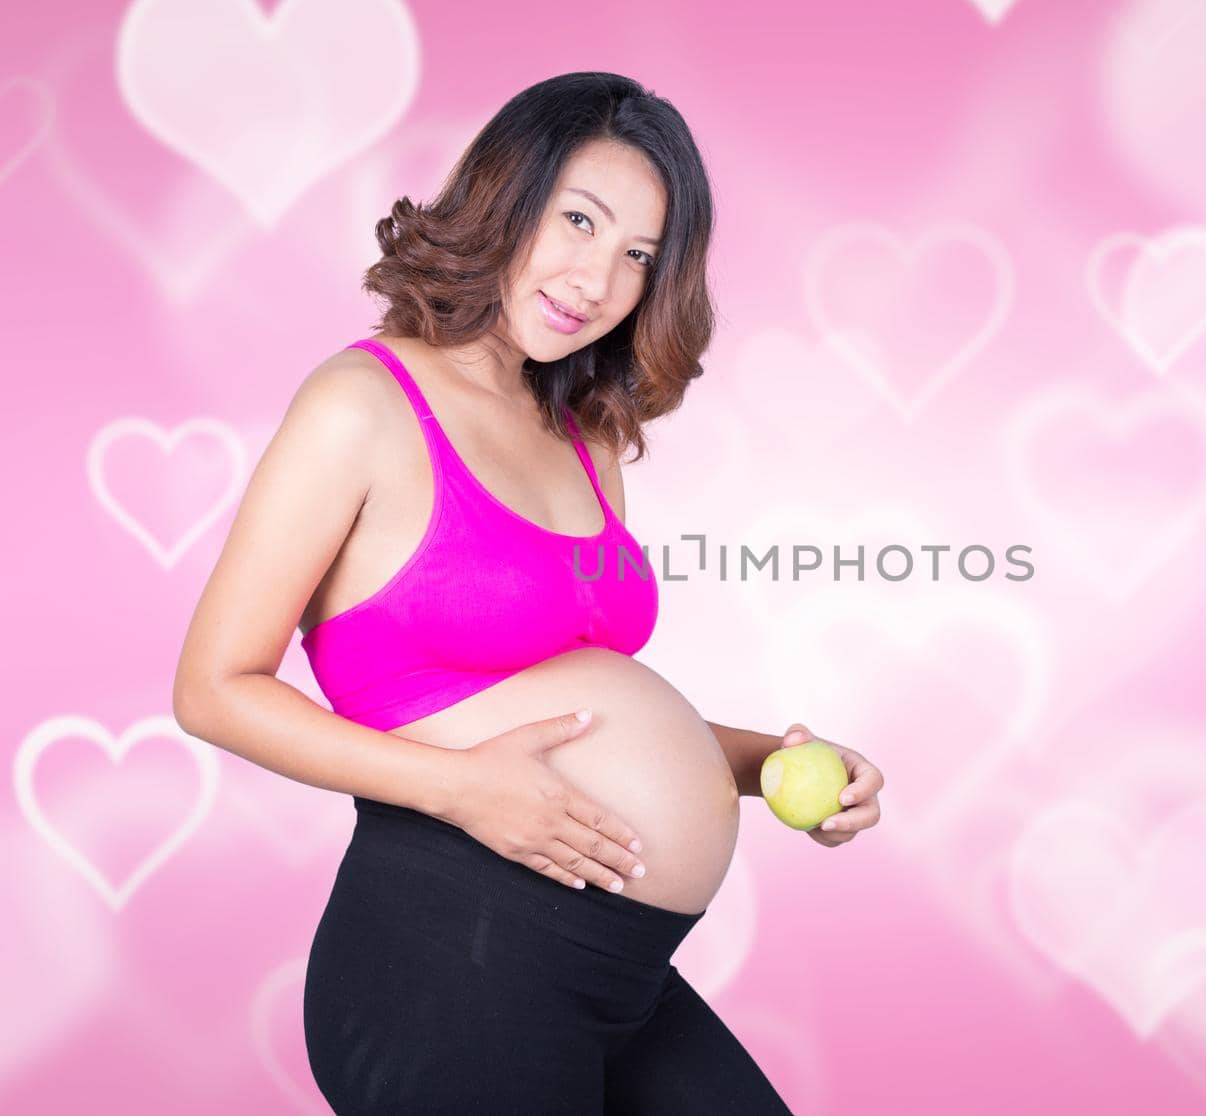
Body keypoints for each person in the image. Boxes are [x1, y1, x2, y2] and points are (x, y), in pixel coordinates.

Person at [173, 71, 881, 1113]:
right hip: (452, 952)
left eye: (638, 254)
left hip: (611, 963)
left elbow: (582, 707)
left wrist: (765, 763)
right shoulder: (364, 402)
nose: (596, 280)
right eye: (578, 222)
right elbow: (214, 688)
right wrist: (459, 789)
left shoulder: (585, 432)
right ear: (507, 196)